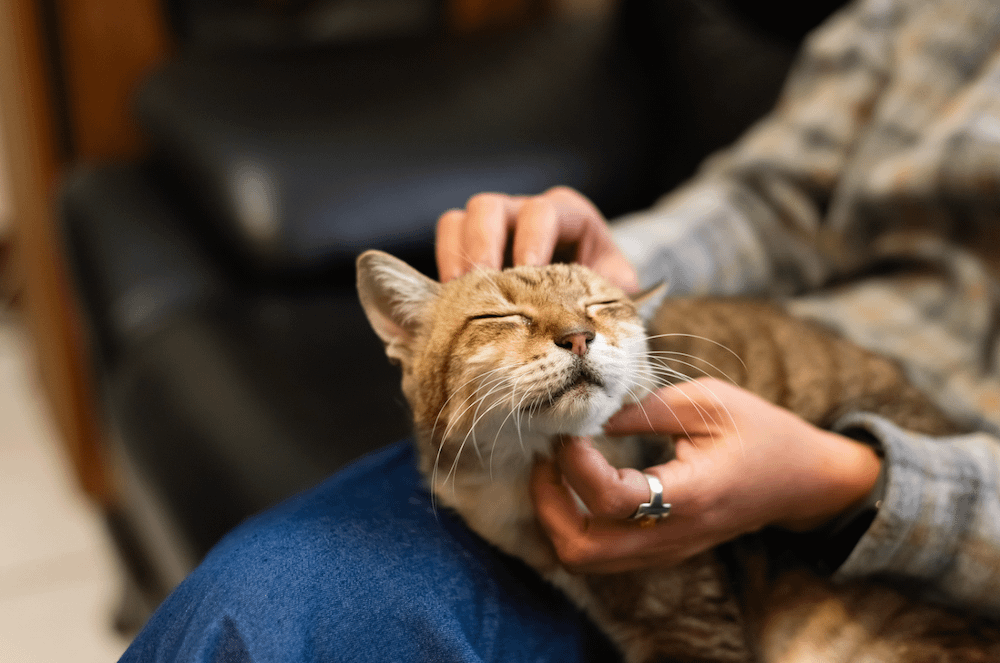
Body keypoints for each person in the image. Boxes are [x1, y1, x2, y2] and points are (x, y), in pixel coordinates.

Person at [119, 0, 1000, 659]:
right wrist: (600, 274)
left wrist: (852, 479)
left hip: (926, 513)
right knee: (261, 615)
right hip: (683, 395)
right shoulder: (919, 15)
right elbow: (771, 201)